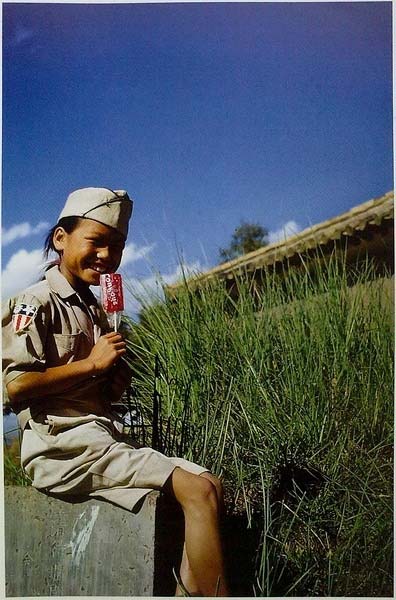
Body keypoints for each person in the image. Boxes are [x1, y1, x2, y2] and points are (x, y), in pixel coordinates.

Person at [2, 187, 229, 597]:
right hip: (62, 449)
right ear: (60, 239)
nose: (106, 255)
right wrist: (91, 364)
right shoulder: (33, 302)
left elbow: (97, 389)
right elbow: (15, 387)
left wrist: (111, 378)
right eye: (96, 242)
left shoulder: (97, 309)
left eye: (117, 246)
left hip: (101, 437)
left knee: (209, 483)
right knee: (195, 492)